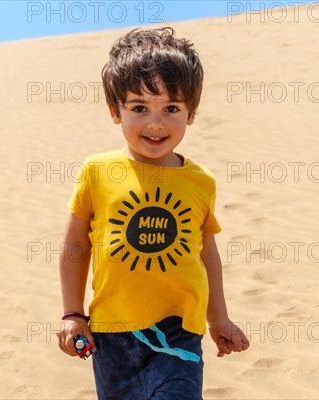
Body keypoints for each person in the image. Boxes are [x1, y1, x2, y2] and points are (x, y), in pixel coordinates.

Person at [57, 27, 250, 399]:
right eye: (139, 108)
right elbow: (74, 247)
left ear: (191, 113)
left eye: (172, 108)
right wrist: (72, 314)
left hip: (180, 329)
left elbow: (206, 253)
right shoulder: (97, 172)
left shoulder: (200, 181)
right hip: (112, 333)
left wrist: (218, 318)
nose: (156, 123)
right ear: (115, 111)